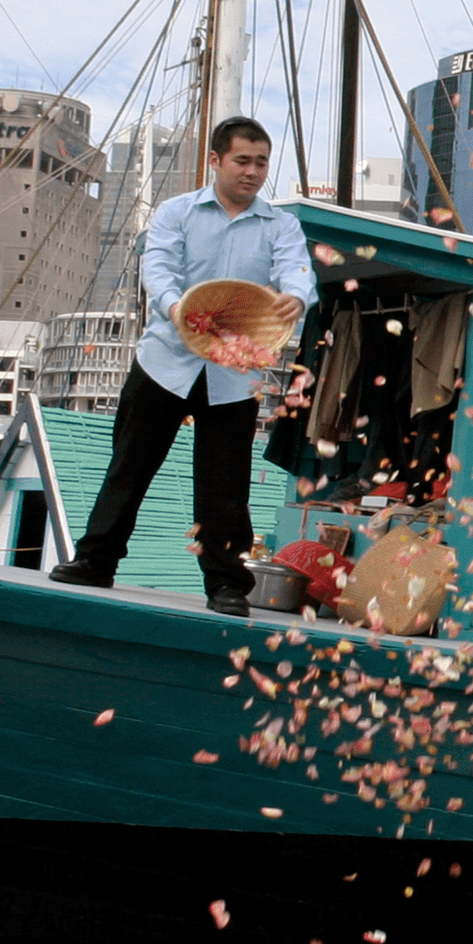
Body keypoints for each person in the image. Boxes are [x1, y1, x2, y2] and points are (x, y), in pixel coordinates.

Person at [49, 116, 314, 615]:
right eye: (242, 160)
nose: (253, 172)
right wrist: (177, 310)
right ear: (215, 160)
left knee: (226, 483)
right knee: (130, 465)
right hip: (165, 359)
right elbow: (158, 267)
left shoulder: (282, 224)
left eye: (261, 162)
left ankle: (227, 586)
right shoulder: (176, 212)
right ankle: (95, 562)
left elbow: (297, 268)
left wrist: (297, 298)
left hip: (234, 370)